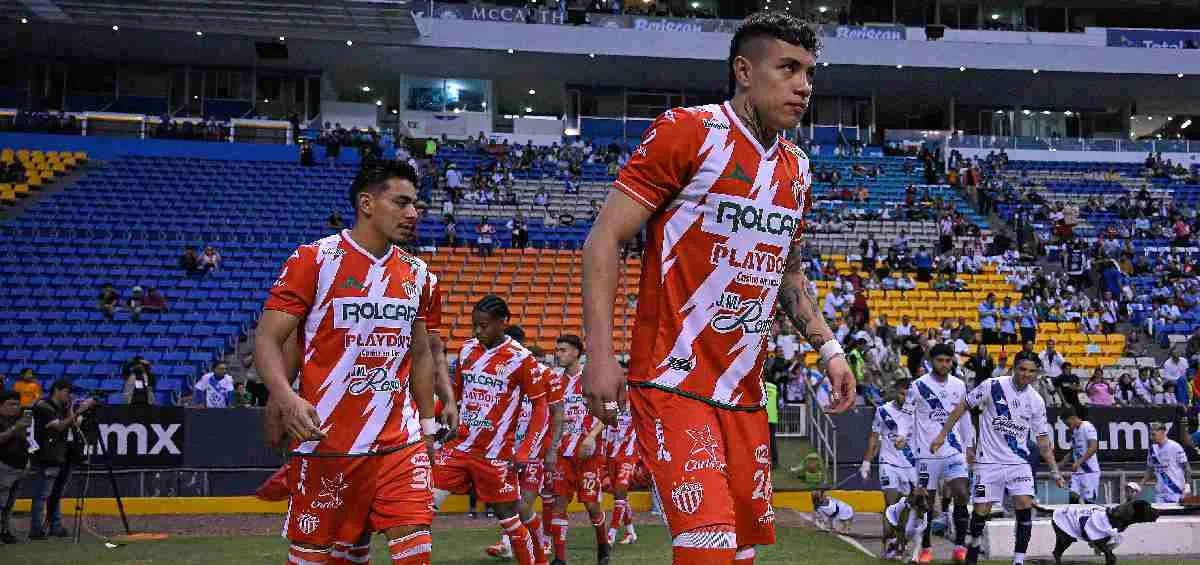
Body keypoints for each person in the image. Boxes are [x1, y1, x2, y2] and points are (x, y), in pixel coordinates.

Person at [581, 12, 855, 564]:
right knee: (708, 544)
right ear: (744, 71)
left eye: (809, 73)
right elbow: (604, 239)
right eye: (788, 69)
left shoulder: (798, 169)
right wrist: (600, 355)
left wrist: (829, 348)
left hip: (744, 393)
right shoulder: (689, 131)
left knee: (741, 551)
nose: (804, 86)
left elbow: (788, 274)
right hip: (674, 379)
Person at [255, 160, 439, 565]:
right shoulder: (314, 260)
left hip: (399, 442)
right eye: (402, 203)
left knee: (415, 547)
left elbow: (422, 352)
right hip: (327, 441)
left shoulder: (420, 275)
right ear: (366, 203)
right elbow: (268, 337)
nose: (413, 214)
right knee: (322, 554)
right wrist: (284, 399)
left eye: (416, 205)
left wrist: (428, 424)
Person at [432, 295, 548, 565]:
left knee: (510, 519)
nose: (477, 331)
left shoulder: (522, 359)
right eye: (474, 325)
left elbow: (540, 407)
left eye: (483, 325)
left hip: (495, 454)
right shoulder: (466, 350)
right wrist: (446, 418)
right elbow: (456, 393)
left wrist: (525, 450)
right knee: (422, 507)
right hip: (460, 446)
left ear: (502, 322)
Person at [930, 350, 1065, 565]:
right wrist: (942, 435)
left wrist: (1055, 470)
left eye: (1031, 371)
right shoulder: (992, 386)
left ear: (1036, 373)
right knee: (981, 510)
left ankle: (1018, 560)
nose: (1026, 374)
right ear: (1013, 368)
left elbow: (1042, 439)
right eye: (1022, 369)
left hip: (1018, 462)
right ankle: (974, 543)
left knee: (1024, 505)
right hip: (988, 462)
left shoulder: (1036, 401)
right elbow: (963, 405)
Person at [486, 328, 562, 560]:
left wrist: (552, 449)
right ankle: (509, 545)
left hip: (534, 452)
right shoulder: (505, 371)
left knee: (523, 506)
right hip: (507, 449)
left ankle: (541, 545)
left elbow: (557, 414)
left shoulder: (548, 376)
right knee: (509, 503)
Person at [894, 344, 973, 564]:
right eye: (940, 360)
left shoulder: (959, 385)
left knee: (961, 492)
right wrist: (901, 435)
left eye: (948, 361)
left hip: (953, 450)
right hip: (927, 453)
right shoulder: (918, 386)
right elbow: (907, 414)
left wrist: (969, 445)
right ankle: (927, 547)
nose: (944, 365)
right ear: (931, 361)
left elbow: (964, 417)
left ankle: (959, 547)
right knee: (926, 502)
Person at [546, 333, 609, 565]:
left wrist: (591, 436)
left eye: (562, 350)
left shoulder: (592, 379)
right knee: (559, 503)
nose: (558, 354)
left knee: (592, 506)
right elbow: (550, 416)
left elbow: (610, 412)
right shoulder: (554, 382)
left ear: (576, 352)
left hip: (589, 455)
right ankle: (559, 558)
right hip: (563, 454)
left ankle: (603, 545)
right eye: (557, 350)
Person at [29, 380, 96, 539]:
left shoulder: (63, 407)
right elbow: (59, 426)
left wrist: (73, 409)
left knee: (56, 493)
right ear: (57, 390)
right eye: (67, 391)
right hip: (48, 455)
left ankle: (55, 526)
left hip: (63, 455)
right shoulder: (44, 406)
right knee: (42, 494)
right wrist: (78, 411)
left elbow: (75, 424)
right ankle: (36, 529)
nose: (70, 395)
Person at [860, 377, 917, 560]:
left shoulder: (918, 412)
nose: (905, 398)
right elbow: (874, 437)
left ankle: (901, 544)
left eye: (908, 395)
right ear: (895, 392)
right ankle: (889, 545)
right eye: (902, 394)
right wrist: (866, 462)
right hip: (888, 463)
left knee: (906, 508)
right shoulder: (883, 411)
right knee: (891, 504)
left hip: (911, 466)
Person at [1049, 500, 1159, 565]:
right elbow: (1097, 540)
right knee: (1065, 540)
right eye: (1147, 510)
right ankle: (1057, 557)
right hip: (1065, 518)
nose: (1151, 511)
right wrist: (1108, 553)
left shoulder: (1117, 521)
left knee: (1067, 541)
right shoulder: (1105, 523)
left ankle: (1057, 556)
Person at [604, 383, 640, 546]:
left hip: (629, 455)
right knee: (620, 495)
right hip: (611, 455)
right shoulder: (609, 403)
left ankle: (611, 534)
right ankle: (631, 533)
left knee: (620, 490)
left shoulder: (637, 402)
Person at [0, 390, 31, 544]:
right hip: (4, 467)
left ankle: (5, 531)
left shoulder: (18, 420)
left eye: (17, 404)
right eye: (11, 404)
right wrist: (15, 428)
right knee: (1, 503)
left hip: (19, 468)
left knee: (9, 505)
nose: (15, 407)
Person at [1140, 421, 1191, 503]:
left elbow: (1186, 467)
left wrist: (1187, 485)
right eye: (1150, 435)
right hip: (1160, 493)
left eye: (1153, 434)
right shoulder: (1152, 449)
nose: (1151, 437)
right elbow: (1149, 469)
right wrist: (1140, 485)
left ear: (1162, 432)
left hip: (1175, 491)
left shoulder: (1175, 446)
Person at [1059, 406, 1101, 503]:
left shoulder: (1087, 426)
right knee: (1073, 501)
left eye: (1068, 423)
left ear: (1073, 418)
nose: (1067, 426)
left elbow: (1093, 447)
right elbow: (1071, 452)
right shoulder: (1074, 431)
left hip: (1089, 472)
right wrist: (1058, 466)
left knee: (1088, 503)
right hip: (1077, 473)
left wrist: (1079, 462)